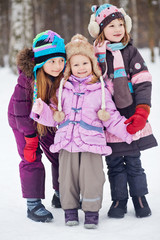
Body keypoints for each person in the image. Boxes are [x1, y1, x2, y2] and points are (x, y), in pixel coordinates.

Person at [31, 34, 133, 229]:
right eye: (75, 64)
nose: (81, 68)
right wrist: (41, 110)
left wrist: (127, 131)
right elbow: (54, 116)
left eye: (84, 63)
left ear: (92, 63)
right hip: (67, 142)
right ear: (69, 67)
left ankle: (91, 211)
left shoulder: (99, 90)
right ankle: (69, 210)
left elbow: (110, 116)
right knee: (67, 177)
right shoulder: (62, 89)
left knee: (92, 177)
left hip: (92, 142)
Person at [88, 3, 158, 219]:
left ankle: (139, 197)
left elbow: (143, 81)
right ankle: (119, 199)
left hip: (129, 115)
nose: (118, 29)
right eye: (111, 26)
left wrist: (142, 110)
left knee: (134, 160)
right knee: (115, 162)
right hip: (107, 118)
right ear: (100, 30)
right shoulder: (95, 55)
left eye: (121, 24)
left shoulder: (130, 52)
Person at [8, 30, 66, 222]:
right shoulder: (26, 81)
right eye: (52, 61)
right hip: (22, 120)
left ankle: (60, 194)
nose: (58, 66)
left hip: (46, 118)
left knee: (58, 152)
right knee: (31, 157)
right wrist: (30, 137)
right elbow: (20, 112)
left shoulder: (61, 77)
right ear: (41, 62)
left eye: (60, 60)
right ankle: (33, 205)